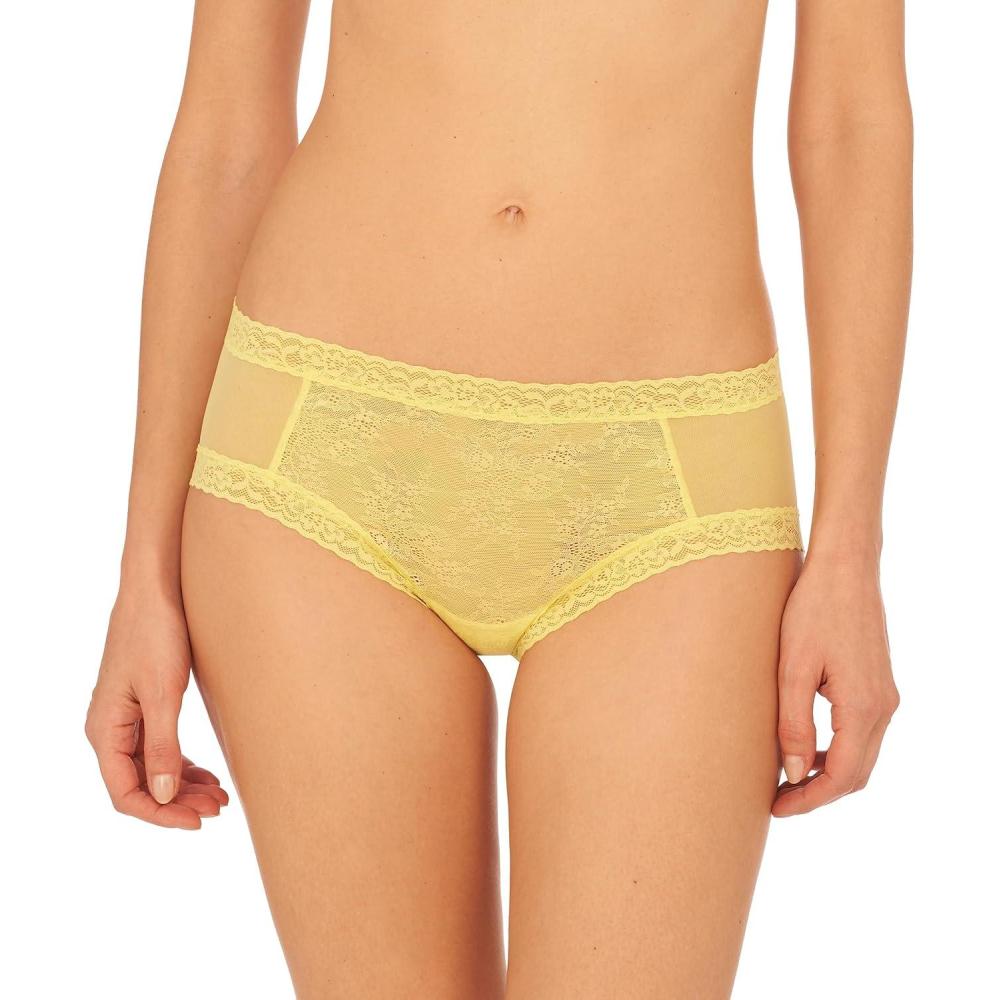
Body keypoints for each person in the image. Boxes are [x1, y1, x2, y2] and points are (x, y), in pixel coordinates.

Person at [86, 2, 911, 996]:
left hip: (676, 484)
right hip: (319, 456)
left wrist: (850, 549)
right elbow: (228, 125)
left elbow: (852, 119)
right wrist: (145, 575)